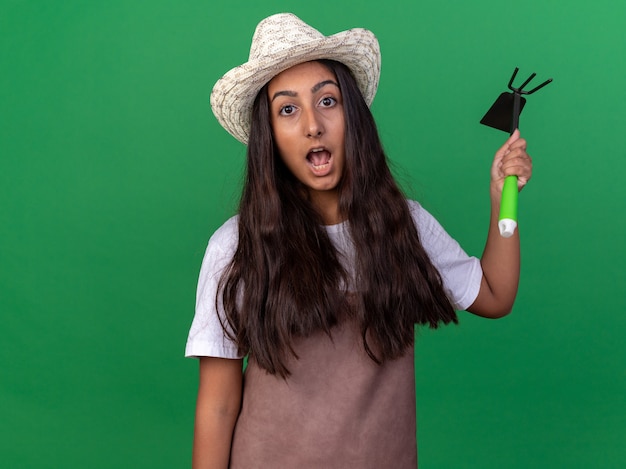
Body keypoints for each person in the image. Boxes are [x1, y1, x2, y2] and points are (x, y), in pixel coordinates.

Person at [185, 12, 532, 469]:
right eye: (287, 109)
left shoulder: (404, 225)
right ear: (269, 137)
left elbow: (494, 294)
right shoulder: (236, 247)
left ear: (353, 114)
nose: (312, 124)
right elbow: (218, 405)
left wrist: (499, 198)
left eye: (327, 101)